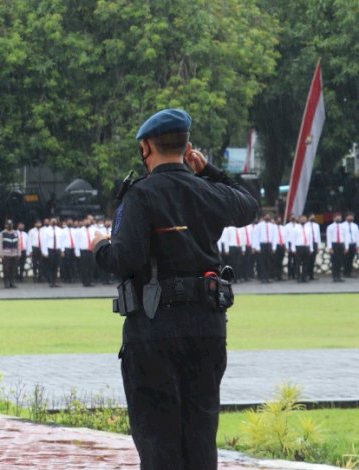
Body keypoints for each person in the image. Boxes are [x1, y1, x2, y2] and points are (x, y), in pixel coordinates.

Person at [92, 109, 257, 469]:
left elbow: (124, 259)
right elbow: (248, 206)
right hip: (206, 327)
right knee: (200, 438)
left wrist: (100, 245)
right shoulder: (209, 190)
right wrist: (209, 171)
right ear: (186, 148)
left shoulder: (141, 195)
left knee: (158, 443)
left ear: (146, 147)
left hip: (154, 329)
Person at [326, 214, 349, 282]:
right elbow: (329, 238)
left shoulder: (343, 227)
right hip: (334, 244)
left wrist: (346, 247)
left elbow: (346, 237)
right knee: (334, 261)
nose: (338, 219)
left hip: (341, 244)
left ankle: (339, 276)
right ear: (334, 219)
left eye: (339, 218)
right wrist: (330, 247)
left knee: (340, 261)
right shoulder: (330, 227)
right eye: (337, 218)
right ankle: (334, 276)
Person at [0, 221, 20, 288]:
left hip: (14, 254)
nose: (9, 226)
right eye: (8, 224)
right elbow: (0, 244)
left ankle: (12, 283)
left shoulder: (15, 233)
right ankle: (6, 283)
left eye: (10, 224)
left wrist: (18, 253)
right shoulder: (2, 233)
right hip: (6, 254)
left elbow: (18, 244)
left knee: (13, 269)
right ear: (5, 225)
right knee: (6, 270)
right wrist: (1, 254)